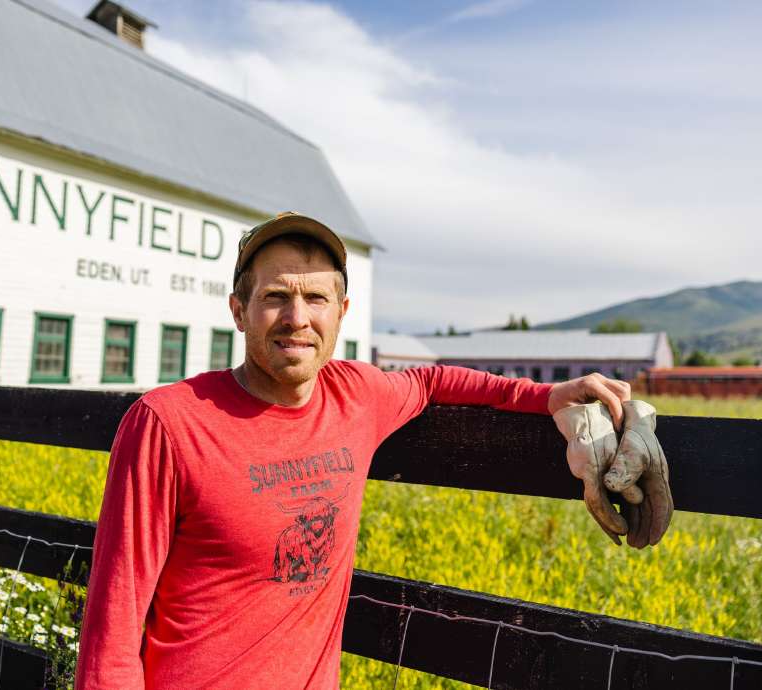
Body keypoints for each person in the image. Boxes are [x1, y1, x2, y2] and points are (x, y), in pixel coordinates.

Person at [74, 212, 661, 689]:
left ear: (342, 312)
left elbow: (436, 382)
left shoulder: (356, 394)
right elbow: (113, 623)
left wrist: (550, 396)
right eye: (276, 296)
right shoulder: (169, 424)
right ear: (238, 311)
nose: (297, 318)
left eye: (317, 299)